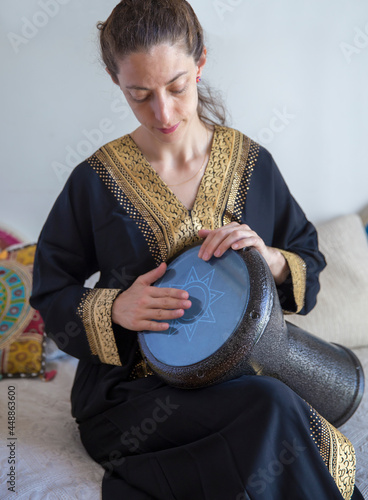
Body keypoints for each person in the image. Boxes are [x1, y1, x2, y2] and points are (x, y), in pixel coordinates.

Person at [30, 1, 363, 499]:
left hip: (240, 372)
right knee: (269, 406)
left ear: (201, 63)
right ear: (114, 78)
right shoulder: (95, 180)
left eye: (177, 87)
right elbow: (51, 290)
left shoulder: (251, 163)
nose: (162, 112)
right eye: (138, 94)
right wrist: (115, 307)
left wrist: (271, 259)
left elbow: (306, 258)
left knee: (268, 401)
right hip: (133, 396)